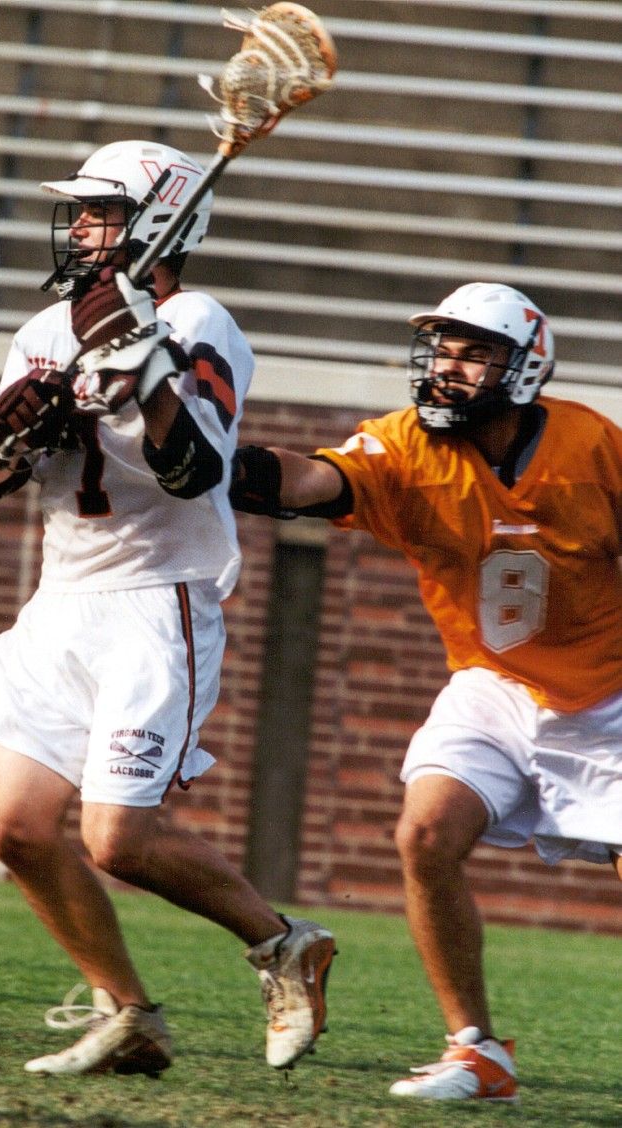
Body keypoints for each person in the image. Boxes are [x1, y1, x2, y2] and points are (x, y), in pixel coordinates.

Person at [0, 140, 336, 1076]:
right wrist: (9, 433)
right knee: (15, 830)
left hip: (156, 602)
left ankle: (283, 944)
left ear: (158, 224)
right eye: (78, 210)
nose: (79, 226)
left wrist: (145, 371)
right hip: (60, 601)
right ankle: (128, 1013)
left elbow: (193, 469)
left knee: (116, 840)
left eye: (101, 211)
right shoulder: (44, 329)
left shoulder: (197, 320)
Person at [229, 282, 622, 1102]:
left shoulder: (589, 444)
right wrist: (222, 465)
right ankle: (475, 1051)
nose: (448, 367)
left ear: (524, 367)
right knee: (424, 833)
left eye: (474, 354)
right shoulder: (405, 443)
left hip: (607, 694)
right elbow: (309, 481)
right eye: (442, 350)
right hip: (492, 684)